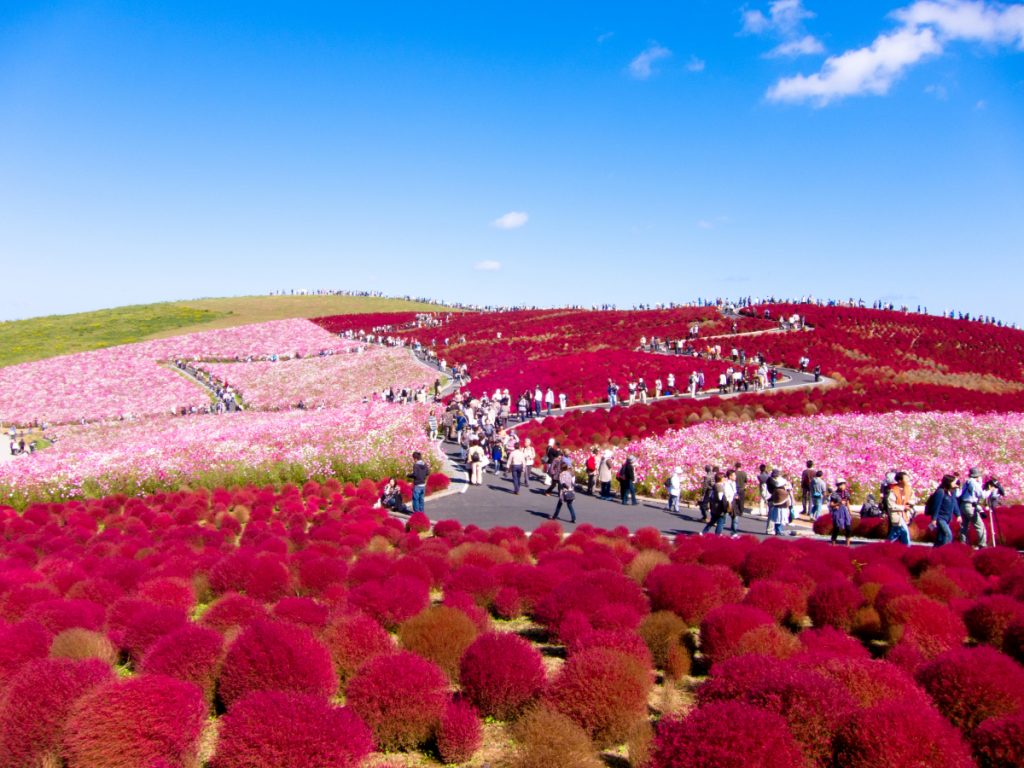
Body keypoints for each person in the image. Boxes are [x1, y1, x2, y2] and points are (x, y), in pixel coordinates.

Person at [925, 474, 959, 547]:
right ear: (948, 482)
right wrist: (934, 519)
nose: (955, 484)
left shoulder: (952, 492)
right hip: (940, 518)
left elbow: (954, 503)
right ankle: (945, 552)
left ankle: (935, 553)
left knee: (940, 538)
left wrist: (958, 514)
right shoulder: (940, 492)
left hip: (948, 518)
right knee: (948, 535)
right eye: (953, 482)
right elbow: (936, 506)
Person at [958, 466, 987, 548]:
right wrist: (989, 490)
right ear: (977, 476)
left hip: (963, 505)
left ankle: (962, 543)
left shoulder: (967, 482)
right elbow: (981, 495)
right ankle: (982, 544)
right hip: (970, 506)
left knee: (964, 525)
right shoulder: (974, 483)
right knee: (980, 526)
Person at [885, 475, 911, 545]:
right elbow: (891, 505)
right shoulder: (893, 491)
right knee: (905, 531)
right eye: (906, 478)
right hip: (897, 516)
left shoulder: (908, 489)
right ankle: (908, 549)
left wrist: (911, 503)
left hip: (905, 515)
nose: (908, 479)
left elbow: (912, 499)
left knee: (895, 533)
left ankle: (885, 547)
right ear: (900, 480)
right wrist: (903, 507)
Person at [767, 470, 792, 536]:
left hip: (775, 500)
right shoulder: (777, 484)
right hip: (777, 501)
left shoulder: (772, 481)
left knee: (776, 516)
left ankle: (775, 529)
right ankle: (775, 530)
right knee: (778, 517)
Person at [828, 479, 852, 546]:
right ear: (838, 486)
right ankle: (833, 544)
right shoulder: (834, 494)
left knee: (848, 528)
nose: (842, 486)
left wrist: (850, 512)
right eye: (840, 485)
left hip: (845, 512)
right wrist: (838, 504)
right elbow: (831, 504)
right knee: (837, 528)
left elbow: (847, 503)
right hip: (837, 512)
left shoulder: (846, 493)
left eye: (843, 485)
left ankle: (847, 545)